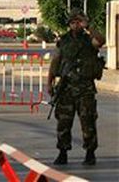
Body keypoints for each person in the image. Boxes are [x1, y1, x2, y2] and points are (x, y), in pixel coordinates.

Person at [48, 10, 106, 166]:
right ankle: (62, 152)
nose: (76, 25)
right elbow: (56, 61)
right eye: (73, 22)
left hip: (85, 89)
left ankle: (90, 152)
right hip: (66, 88)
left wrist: (89, 26)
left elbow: (100, 41)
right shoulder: (64, 40)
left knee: (88, 122)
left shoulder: (89, 40)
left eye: (79, 22)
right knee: (63, 123)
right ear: (69, 24)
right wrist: (50, 82)